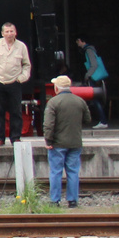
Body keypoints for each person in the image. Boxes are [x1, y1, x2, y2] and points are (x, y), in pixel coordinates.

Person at [43, 74, 92, 207]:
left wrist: (48, 140)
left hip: (58, 144)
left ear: (57, 88)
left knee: (56, 172)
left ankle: (55, 200)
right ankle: (73, 200)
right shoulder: (79, 101)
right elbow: (87, 119)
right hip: (75, 142)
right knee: (73, 172)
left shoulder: (53, 102)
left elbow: (49, 124)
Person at [0, 21, 32, 146]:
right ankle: (0, 138)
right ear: (2, 33)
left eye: (11, 31)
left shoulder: (21, 46)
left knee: (16, 111)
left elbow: (26, 65)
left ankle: (15, 137)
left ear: (15, 32)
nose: (9, 34)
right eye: (7, 31)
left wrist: (22, 77)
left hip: (14, 82)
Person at [74, 35, 109, 129]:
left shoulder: (88, 50)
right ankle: (102, 120)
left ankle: (103, 120)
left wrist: (87, 75)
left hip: (93, 77)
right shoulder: (90, 49)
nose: (77, 43)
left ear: (81, 40)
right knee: (95, 99)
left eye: (77, 41)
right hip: (94, 77)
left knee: (95, 99)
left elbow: (93, 65)